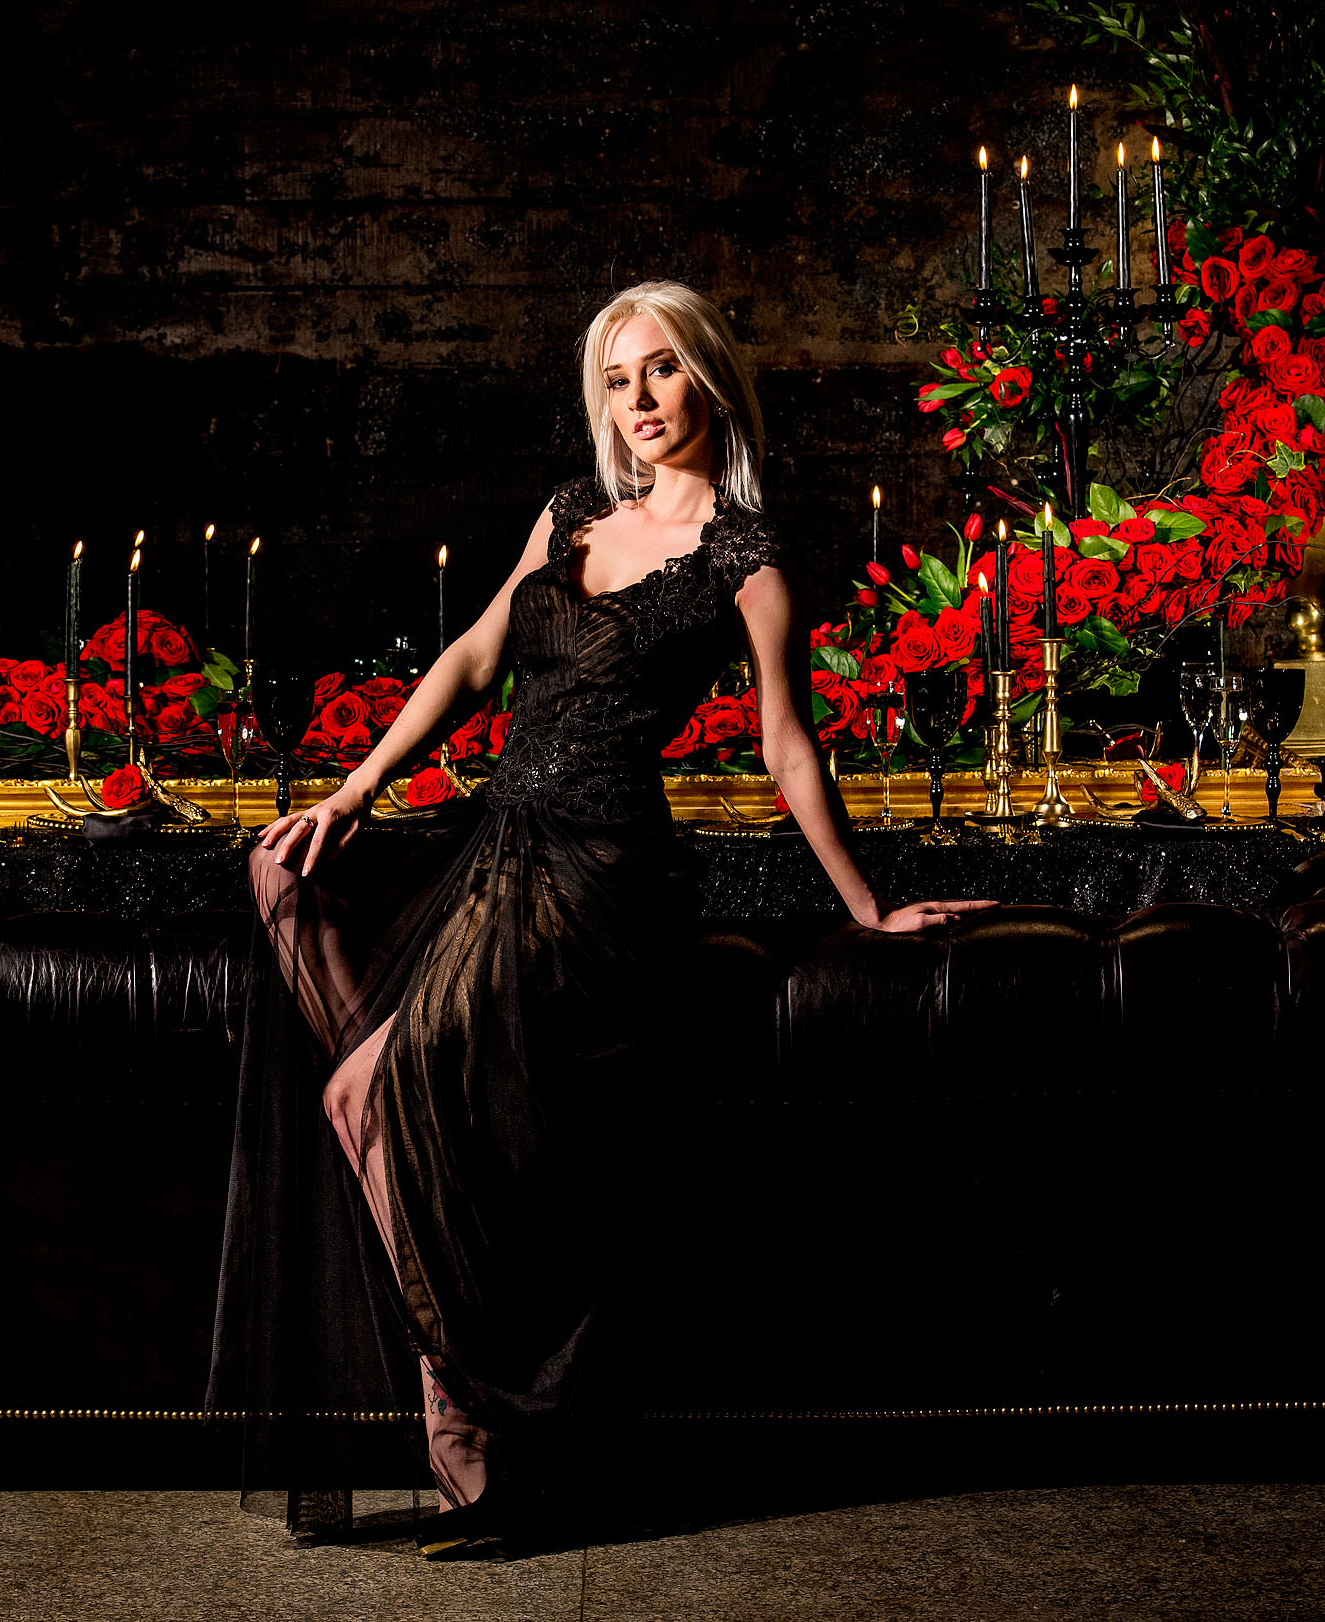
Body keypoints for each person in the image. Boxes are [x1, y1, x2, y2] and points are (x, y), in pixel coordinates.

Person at [220, 280, 991, 1558]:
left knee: (365, 1096)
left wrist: (866, 904)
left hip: (597, 869)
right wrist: (354, 792)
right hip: (496, 839)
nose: (636, 404)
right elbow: (473, 657)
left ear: (709, 382)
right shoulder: (573, 511)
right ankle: (467, 1381)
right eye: (617, 381)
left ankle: (465, 1417)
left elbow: (786, 744)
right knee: (286, 873)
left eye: (661, 373)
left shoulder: (743, 556)